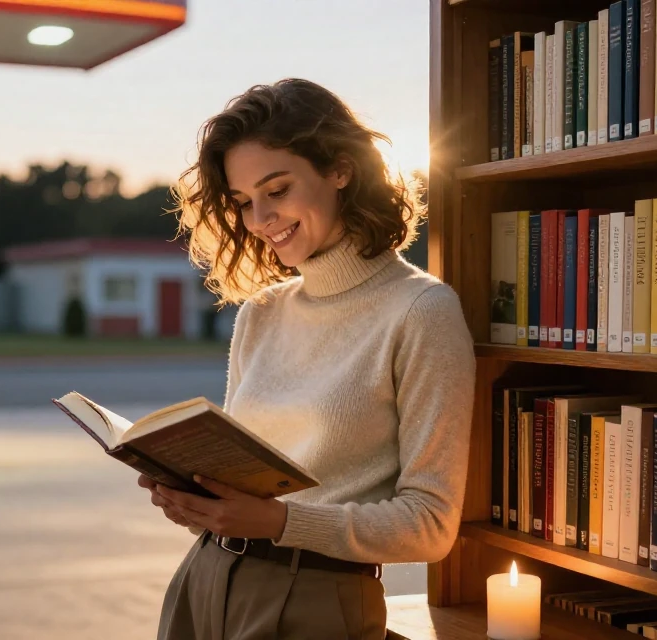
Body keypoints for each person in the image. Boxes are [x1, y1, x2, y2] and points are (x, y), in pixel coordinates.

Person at [140, 78, 476, 640]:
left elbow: (430, 525)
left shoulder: (421, 312)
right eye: (243, 202)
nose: (259, 219)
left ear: (340, 169)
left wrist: (279, 521)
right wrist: (196, 496)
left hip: (316, 599)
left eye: (277, 189)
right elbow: (244, 473)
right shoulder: (261, 313)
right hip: (204, 580)